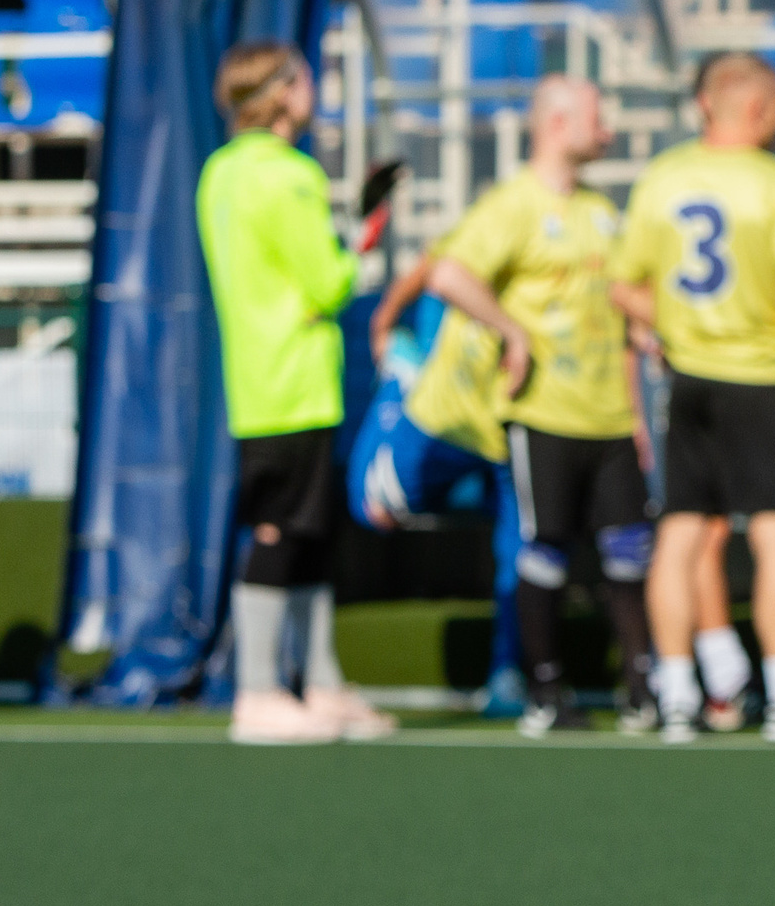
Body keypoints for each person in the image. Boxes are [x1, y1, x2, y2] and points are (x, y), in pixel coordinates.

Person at [429, 75, 658, 737]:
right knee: (545, 550)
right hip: (543, 413)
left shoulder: (599, 211)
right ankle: (545, 689)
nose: (607, 130)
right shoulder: (513, 204)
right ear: (557, 123)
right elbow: (448, 274)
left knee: (628, 552)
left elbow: (621, 312)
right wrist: (512, 329)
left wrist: (640, 405)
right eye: (596, 116)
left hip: (609, 416)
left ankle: (641, 688)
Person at [611, 54, 775, 743]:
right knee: (774, 530)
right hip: (757, 375)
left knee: (679, 531)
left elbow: (625, 285)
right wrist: (767, 326)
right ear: (758, 109)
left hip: (688, 376)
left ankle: (676, 693)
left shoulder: (664, 176)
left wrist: (671, 322)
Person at [195, 40, 395, 745]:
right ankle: (257, 689)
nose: (314, 88)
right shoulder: (290, 175)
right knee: (283, 530)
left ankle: (321, 682)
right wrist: (365, 243)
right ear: (280, 92)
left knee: (307, 534)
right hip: (296, 380)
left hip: (258, 378)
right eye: (304, 78)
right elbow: (329, 282)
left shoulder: (221, 171)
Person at [349, 251, 525, 716]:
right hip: (442, 423)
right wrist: (384, 319)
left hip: (510, 429)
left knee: (525, 552)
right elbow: (436, 266)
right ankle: (399, 379)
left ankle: (511, 670)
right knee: (373, 507)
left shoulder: (563, 249)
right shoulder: (474, 238)